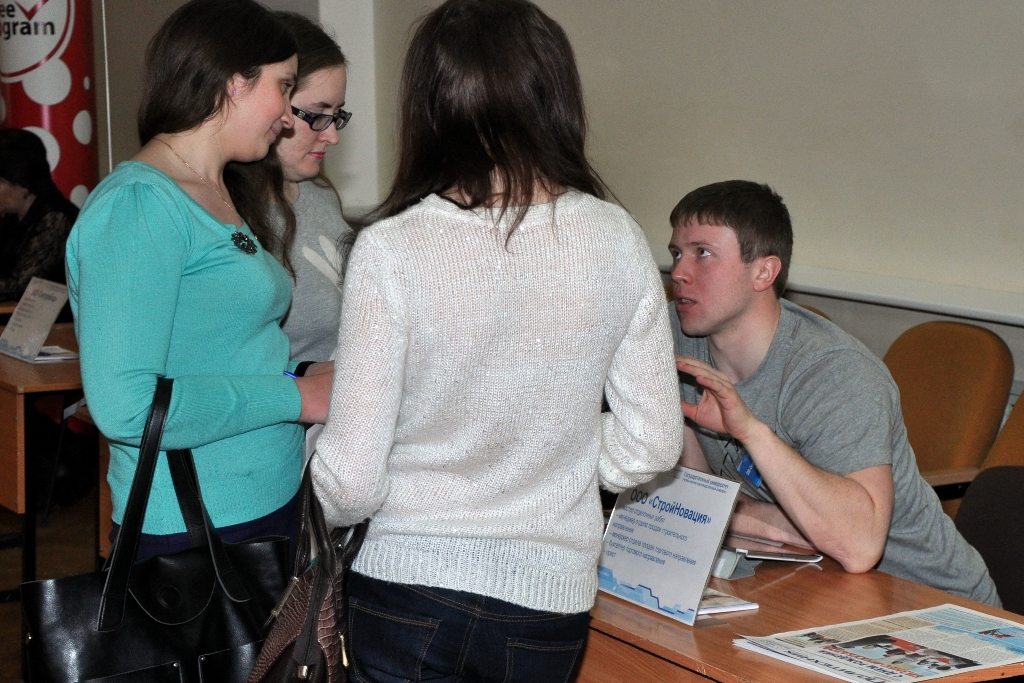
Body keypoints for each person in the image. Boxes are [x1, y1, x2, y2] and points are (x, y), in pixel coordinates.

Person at [311, 1, 685, 680]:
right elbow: (655, 442)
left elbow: (354, 481)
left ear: (429, 106)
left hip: (405, 582)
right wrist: (556, 460)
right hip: (548, 600)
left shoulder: (392, 248)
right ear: (556, 97)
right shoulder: (617, 239)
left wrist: (306, 470)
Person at [66, 0, 332, 560]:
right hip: (196, 526)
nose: (288, 116)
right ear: (234, 82)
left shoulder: (218, 190)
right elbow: (127, 407)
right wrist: (295, 396)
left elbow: (214, 355)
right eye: (284, 87)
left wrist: (302, 372)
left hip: (259, 502)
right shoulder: (138, 205)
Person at [670, 179, 1000, 606]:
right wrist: (754, 519)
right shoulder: (678, 336)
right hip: (812, 580)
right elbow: (691, 494)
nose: (679, 272)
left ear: (763, 272)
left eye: (702, 253)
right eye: (677, 253)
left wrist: (750, 433)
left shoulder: (834, 371)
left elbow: (860, 547)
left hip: (931, 602)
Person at [226, 11, 353, 361]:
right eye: (317, 115)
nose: (332, 136)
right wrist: (305, 380)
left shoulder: (320, 196)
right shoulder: (225, 214)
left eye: (337, 115)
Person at [0, 128, 79, 303]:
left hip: (61, 319)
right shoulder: (14, 217)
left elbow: (19, 286)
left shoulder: (57, 218)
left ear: (23, 183)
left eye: (1, 181)